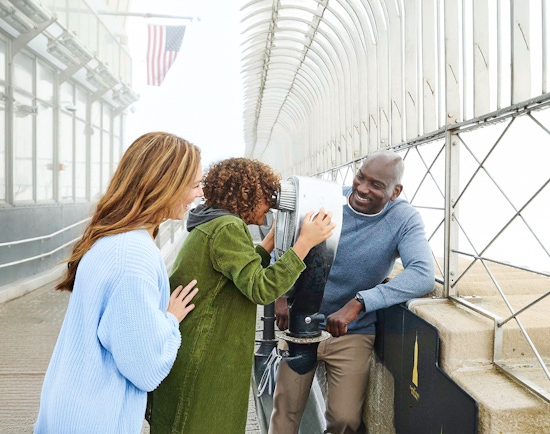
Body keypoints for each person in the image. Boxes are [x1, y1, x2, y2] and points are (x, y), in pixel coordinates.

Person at [150, 157, 337, 434]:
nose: (270, 206)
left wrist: (270, 241)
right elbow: (262, 288)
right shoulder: (227, 228)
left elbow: (236, 273)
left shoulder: (214, 223)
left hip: (203, 346)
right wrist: (304, 243)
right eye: (266, 196)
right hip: (206, 354)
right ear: (247, 195)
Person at [34, 132, 203, 434]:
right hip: (96, 419)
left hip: (72, 407)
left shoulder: (115, 240)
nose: (198, 194)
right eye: (193, 185)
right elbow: (145, 367)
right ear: (165, 185)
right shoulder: (132, 257)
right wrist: (170, 321)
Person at [269, 150, 436, 434]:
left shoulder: (404, 219)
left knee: (345, 420)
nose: (362, 188)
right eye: (361, 177)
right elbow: (284, 243)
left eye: (376, 185)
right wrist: (281, 295)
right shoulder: (326, 201)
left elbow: (422, 274)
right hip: (301, 324)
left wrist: (360, 302)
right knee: (285, 412)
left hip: (352, 332)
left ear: (395, 191)